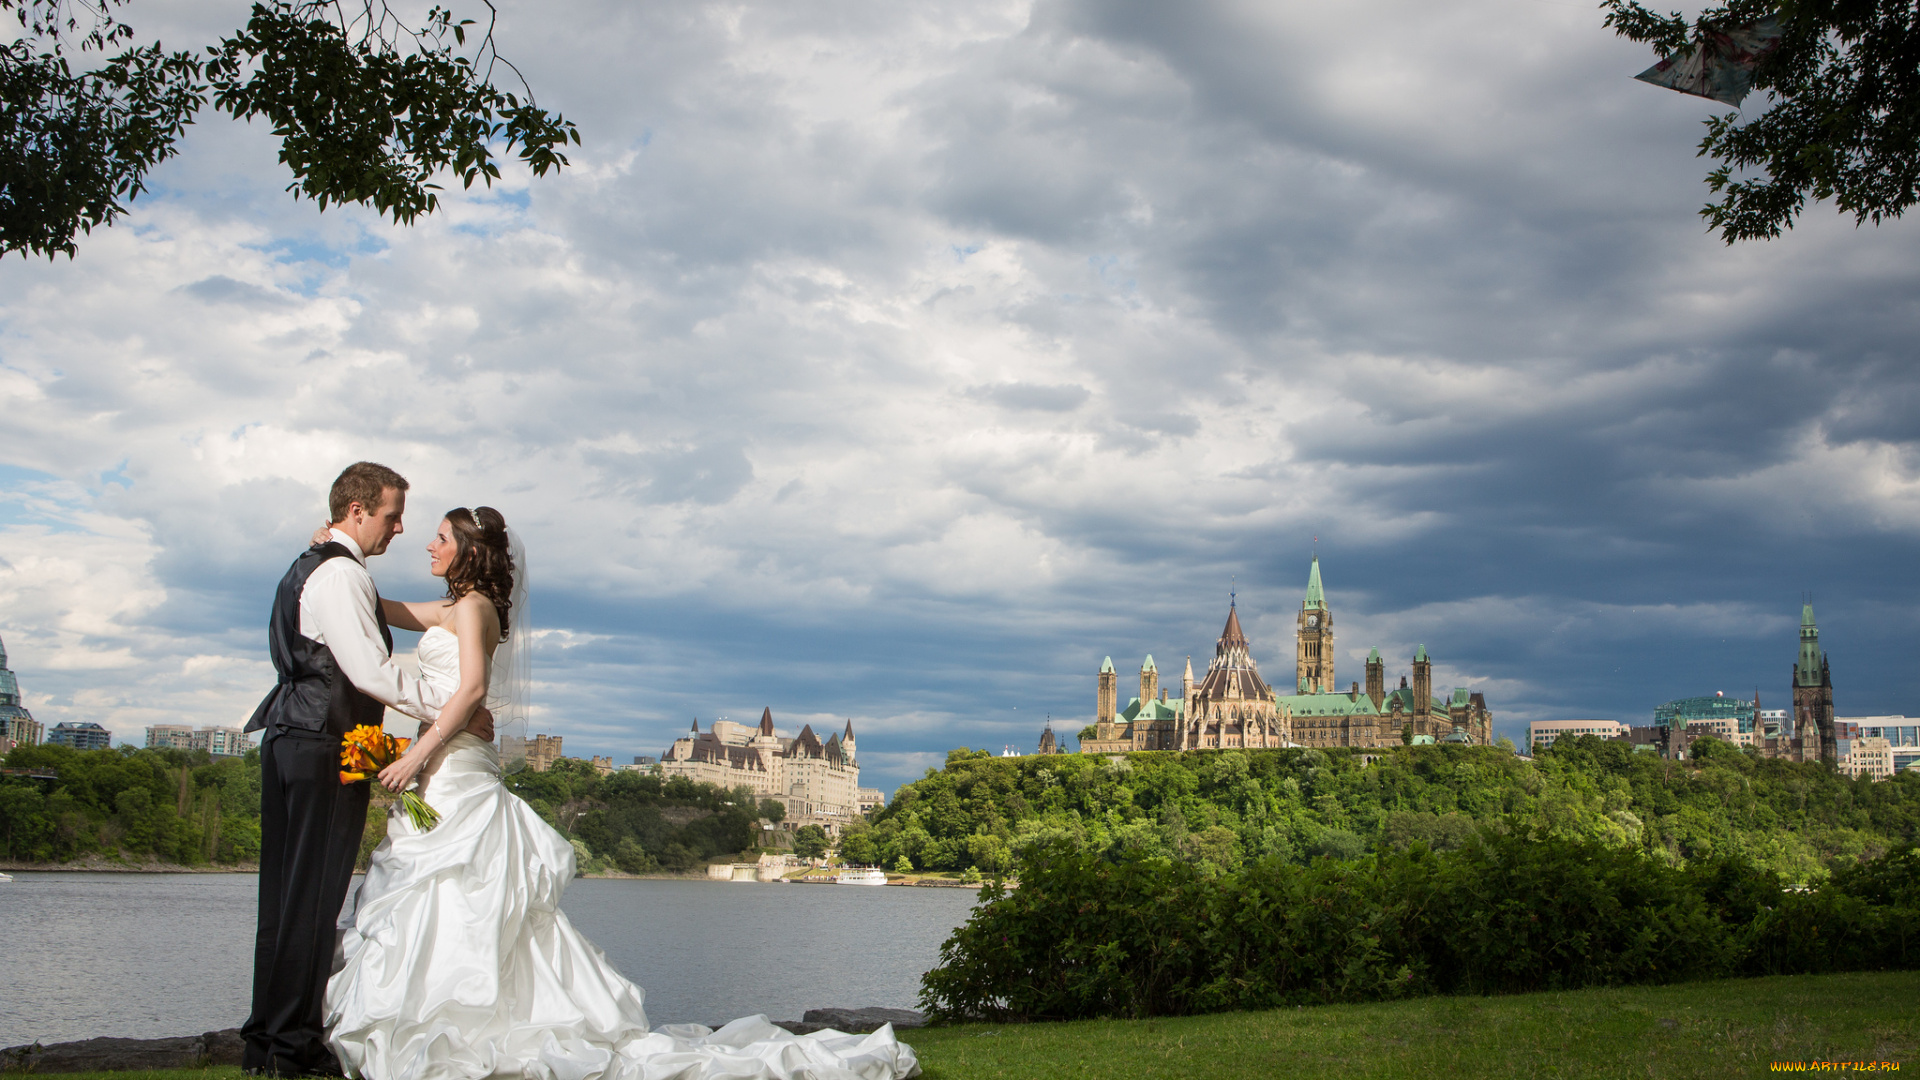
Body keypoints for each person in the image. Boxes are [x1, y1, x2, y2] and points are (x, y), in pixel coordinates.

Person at [322, 507, 920, 1080]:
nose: (428, 545)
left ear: (469, 552)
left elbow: (473, 686)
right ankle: (441, 1013)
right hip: (449, 767)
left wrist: (416, 753)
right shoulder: (457, 607)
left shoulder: (475, 607)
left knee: (462, 894)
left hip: (450, 767)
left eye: (440, 538)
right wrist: (335, 551)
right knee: (451, 897)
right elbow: (384, 607)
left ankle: (452, 1021)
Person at [243, 462, 459, 1077]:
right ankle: (293, 1047)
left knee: (283, 901)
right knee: (311, 901)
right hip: (323, 746)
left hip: (292, 737)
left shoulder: (309, 565)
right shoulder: (339, 574)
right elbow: (368, 672)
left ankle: (266, 1042)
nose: (397, 529)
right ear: (358, 511)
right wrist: (449, 709)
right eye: (392, 516)